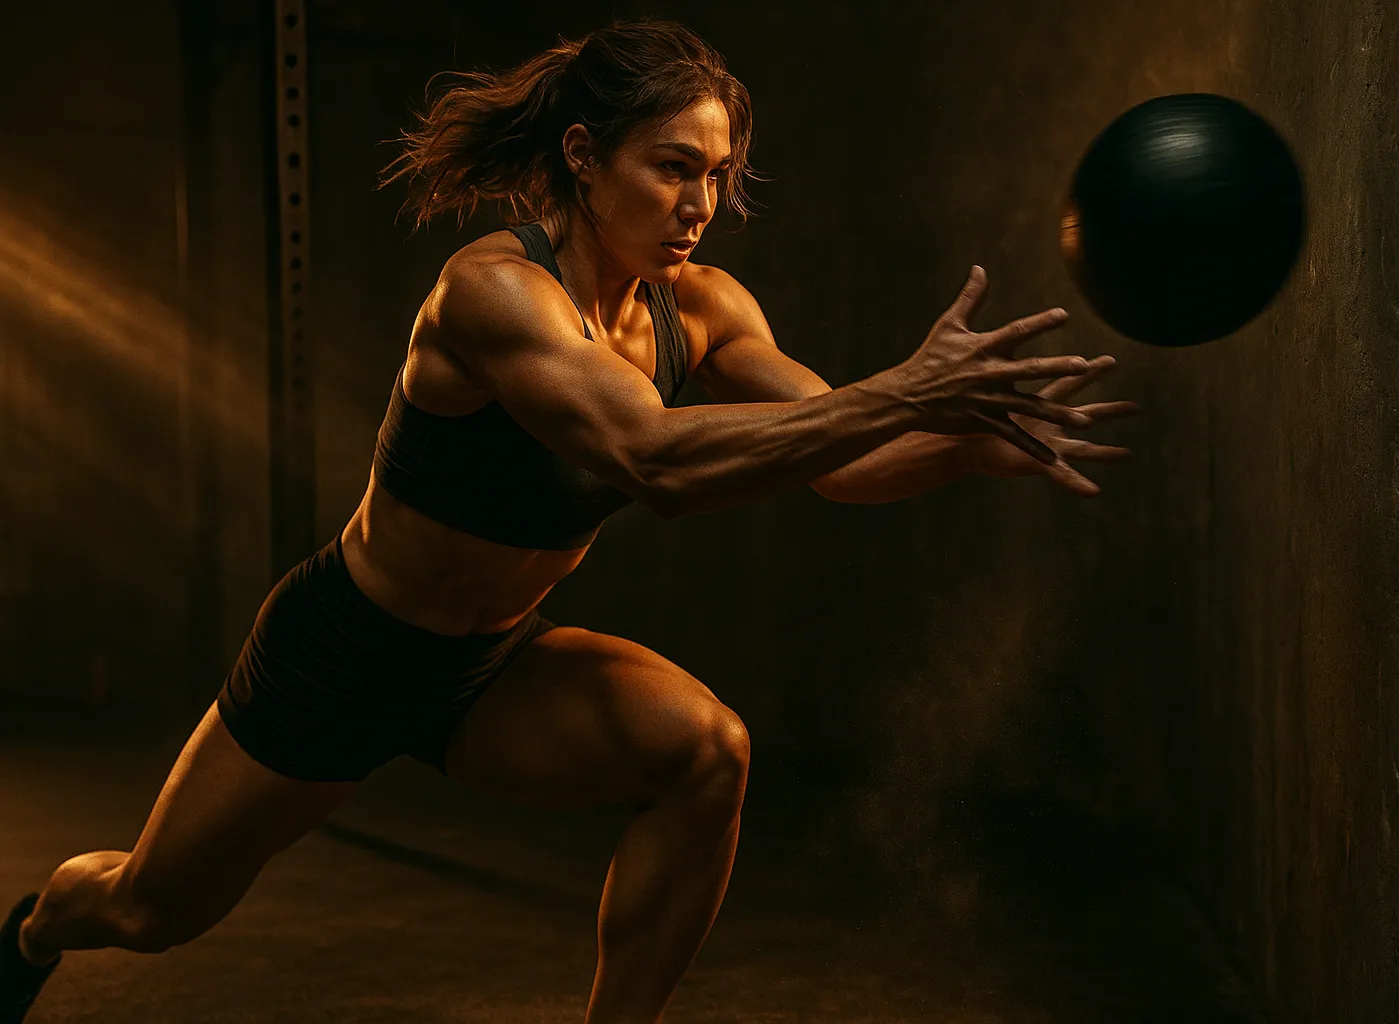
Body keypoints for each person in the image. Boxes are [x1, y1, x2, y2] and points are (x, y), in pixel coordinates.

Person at [0, 18, 1136, 1024]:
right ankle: (32, 931)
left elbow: (842, 459)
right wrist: (904, 392)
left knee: (706, 751)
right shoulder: (494, 293)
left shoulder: (703, 307)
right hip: (343, 651)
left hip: (490, 667)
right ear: (585, 156)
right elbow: (652, 458)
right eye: (671, 168)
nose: (699, 205)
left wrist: (970, 444)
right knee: (150, 909)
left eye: (717, 174)